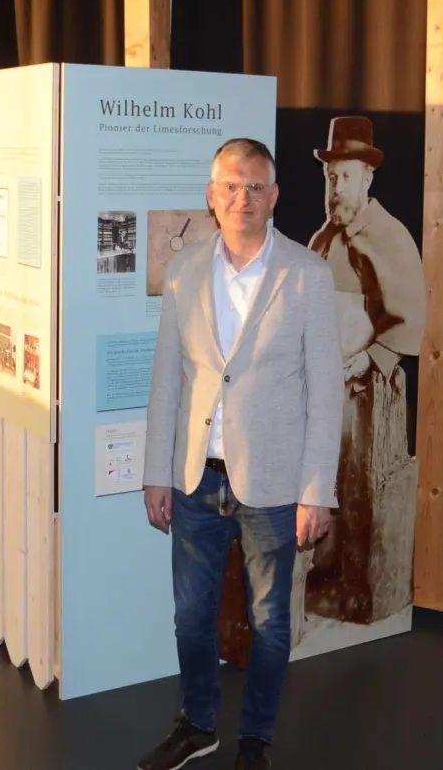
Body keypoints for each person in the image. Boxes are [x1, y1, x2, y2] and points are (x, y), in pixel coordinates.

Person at [140, 138, 342, 770]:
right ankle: (197, 725)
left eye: (255, 186)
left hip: (275, 484)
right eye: (231, 185)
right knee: (191, 618)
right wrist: (156, 472)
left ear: (274, 196)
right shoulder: (184, 270)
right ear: (212, 195)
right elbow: (167, 379)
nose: (242, 198)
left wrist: (318, 490)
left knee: (270, 623)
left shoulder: (307, 275)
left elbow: (326, 390)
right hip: (196, 479)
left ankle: (256, 737)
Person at [304, 115, 426, 628]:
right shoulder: (322, 238)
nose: (336, 187)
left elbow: (409, 316)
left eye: (346, 177)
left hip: (366, 390)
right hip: (323, 385)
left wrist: (368, 360)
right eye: (330, 177)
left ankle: (358, 587)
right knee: (323, 478)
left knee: (359, 484)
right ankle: (324, 576)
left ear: (367, 178)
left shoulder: (389, 235)